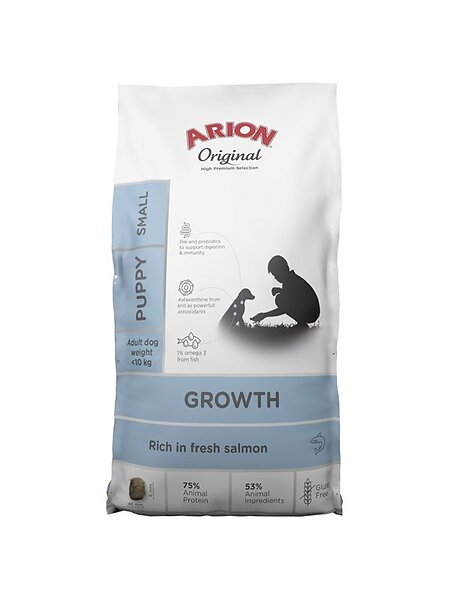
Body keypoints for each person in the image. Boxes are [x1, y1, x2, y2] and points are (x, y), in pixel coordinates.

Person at [251, 256, 320, 326]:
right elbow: (290, 301)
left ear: (282, 270)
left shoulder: (292, 281)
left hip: (311, 313)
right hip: (310, 311)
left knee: (280, 299)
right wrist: (281, 291)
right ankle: (301, 323)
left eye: (276, 274)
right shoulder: (289, 280)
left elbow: (285, 307)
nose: (275, 278)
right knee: (281, 298)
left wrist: (265, 315)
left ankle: (302, 324)